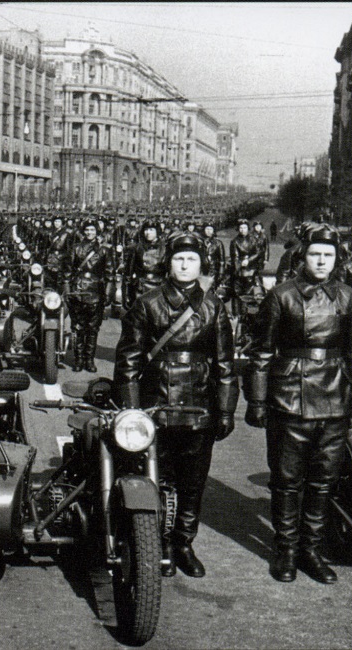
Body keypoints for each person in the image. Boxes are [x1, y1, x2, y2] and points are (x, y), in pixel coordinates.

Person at [245, 223, 352, 584]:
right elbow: (261, 353)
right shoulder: (282, 296)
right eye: (315, 253)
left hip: (334, 398)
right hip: (289, 397)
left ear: (337, 259)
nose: (321, 261)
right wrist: (257, 400)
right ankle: (285, 550)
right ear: (303, 256)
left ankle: (310, 550)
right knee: (287, 480)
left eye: (328, 255)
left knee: (322, 481)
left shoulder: (348, 297)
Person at [114, 232, 237, 578]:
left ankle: (184, 544)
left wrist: (226, 410)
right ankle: (159, 543)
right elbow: (128, 363)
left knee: (193, 482)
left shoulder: (213, 306)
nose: (184, 265)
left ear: (201, 265)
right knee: (157, 479)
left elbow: (225, 365)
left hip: (199, 408)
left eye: (191, 259)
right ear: (168, 263)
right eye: (179, 258)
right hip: (156, 405)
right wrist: (133, 411)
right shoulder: (147, 303)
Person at [64, 221, 114, 373]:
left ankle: (89, 359)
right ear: (83, 231)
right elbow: (67, 271)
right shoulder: (75, 248)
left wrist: (108, 294)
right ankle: (78, 359)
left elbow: (110, 274)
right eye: (87, 229)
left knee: (93, 329)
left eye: (92, 230)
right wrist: (67, 291)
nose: (89, 232)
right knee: (77, 327)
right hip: (78, 291)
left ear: (97, 232)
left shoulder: (104, 250)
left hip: (96, 292)